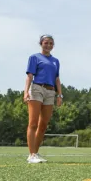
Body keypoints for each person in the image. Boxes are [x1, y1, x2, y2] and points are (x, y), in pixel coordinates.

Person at [23, 34, 63, 164]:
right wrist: (26, 92)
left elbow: (57, 79)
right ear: (41, 43)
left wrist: (60, 95)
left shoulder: (55, 61)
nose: (49, 45)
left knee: (43, 125)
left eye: (51, 43)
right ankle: (31, 154)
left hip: (50, 91)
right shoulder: (34, 57)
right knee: (33, 123)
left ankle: (36, 152)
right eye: (46, 43)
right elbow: (29, 76)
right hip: (37, 89)